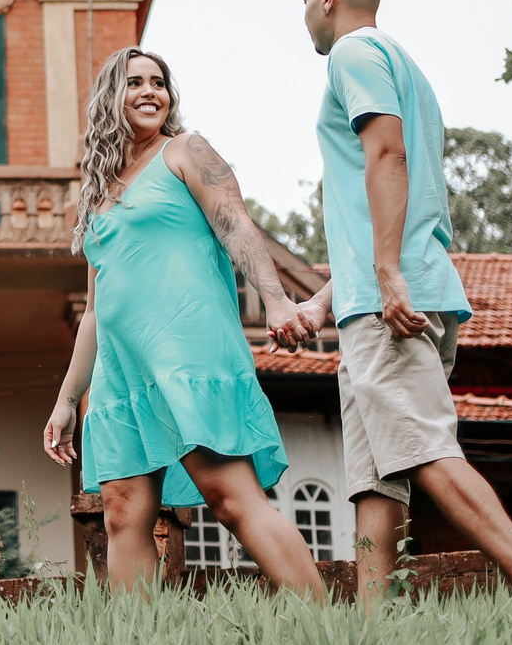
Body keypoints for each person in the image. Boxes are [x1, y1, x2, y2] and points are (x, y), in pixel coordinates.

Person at [271, 0, 512, 605]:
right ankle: (374, 633)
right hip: (378, 295)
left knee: (427, 450)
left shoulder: (353, 53)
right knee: (376, 478)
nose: (304, 16)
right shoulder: (403, 66)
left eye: (303, 1)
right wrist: (324, 302)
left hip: (390, 299)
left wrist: (385, 276)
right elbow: (385, 196)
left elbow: (388, 156)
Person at [43, 47, 327, 597]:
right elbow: (96, 310)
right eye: (135, 82)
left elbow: (237, 225)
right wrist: (65, 399)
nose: (151, 91)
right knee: (122, 511)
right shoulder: (97, 196)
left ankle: (329, 624)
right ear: (110, 98)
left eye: (159, 82)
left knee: (230, 496)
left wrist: (276, 300)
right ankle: (137, 643)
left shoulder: (184, 151)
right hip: (122, 374)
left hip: (187, 352)